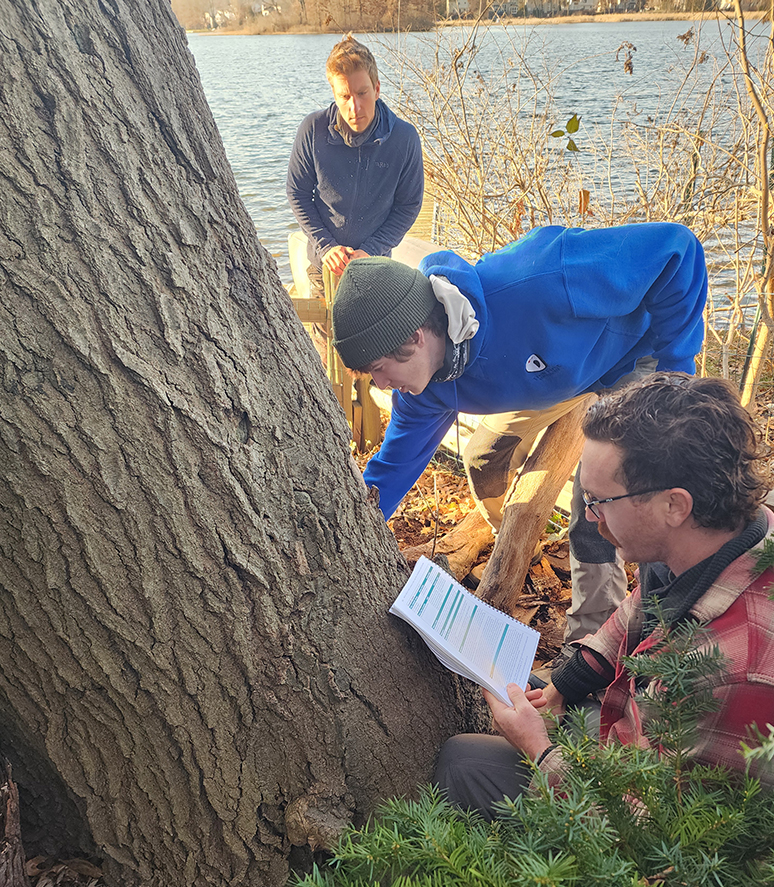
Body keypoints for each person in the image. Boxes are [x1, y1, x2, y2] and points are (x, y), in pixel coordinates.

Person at [432, 373, 774, 819]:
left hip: (647, 831)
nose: (590, 520)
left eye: (600, 501)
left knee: (462, 760)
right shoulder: (717, 535)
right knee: (524, 688)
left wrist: (537, 747)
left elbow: (652, 833)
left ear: (674, 505)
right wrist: (563, 687)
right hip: (635, 729)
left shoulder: (738, 672)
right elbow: (637, 610)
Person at [331, 222, 708, 649]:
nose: (379, 385)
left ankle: (594, 642)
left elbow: (677, 251)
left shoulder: (540, 278)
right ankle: (507, 534)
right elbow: (394, 465)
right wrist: (351, 525)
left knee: (599, 500)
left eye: (380, 369)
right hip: (549, 382)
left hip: (628, 362)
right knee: (481, 457)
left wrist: (676, 374)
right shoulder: (425, 388)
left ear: (415, 337)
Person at [286, 35, 424, 300]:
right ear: (334, 94)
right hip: (324, 263)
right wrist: (327, 247)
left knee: (375, 341)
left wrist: (371, 250)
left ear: (377, 89)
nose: (355, 107)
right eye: (345, 96)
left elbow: (408, 206)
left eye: (362, 93)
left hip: (376, 265)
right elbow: (298, 194)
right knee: (325, 336)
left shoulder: (405, 139)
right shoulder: (312, 130)